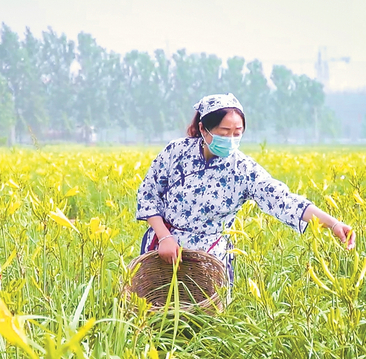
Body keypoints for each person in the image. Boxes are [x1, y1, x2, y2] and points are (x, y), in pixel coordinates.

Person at [136, 93, 355, 281]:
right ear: (203, 129)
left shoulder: (242, 168)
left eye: (237, 133)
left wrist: (333, 224)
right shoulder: (176, 152)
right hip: (164, 251)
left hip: (209, 260)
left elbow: (284, 200)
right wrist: (164, 237)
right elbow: (148, 195)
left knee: (207, 323)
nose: (230, 139)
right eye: (223, 132)